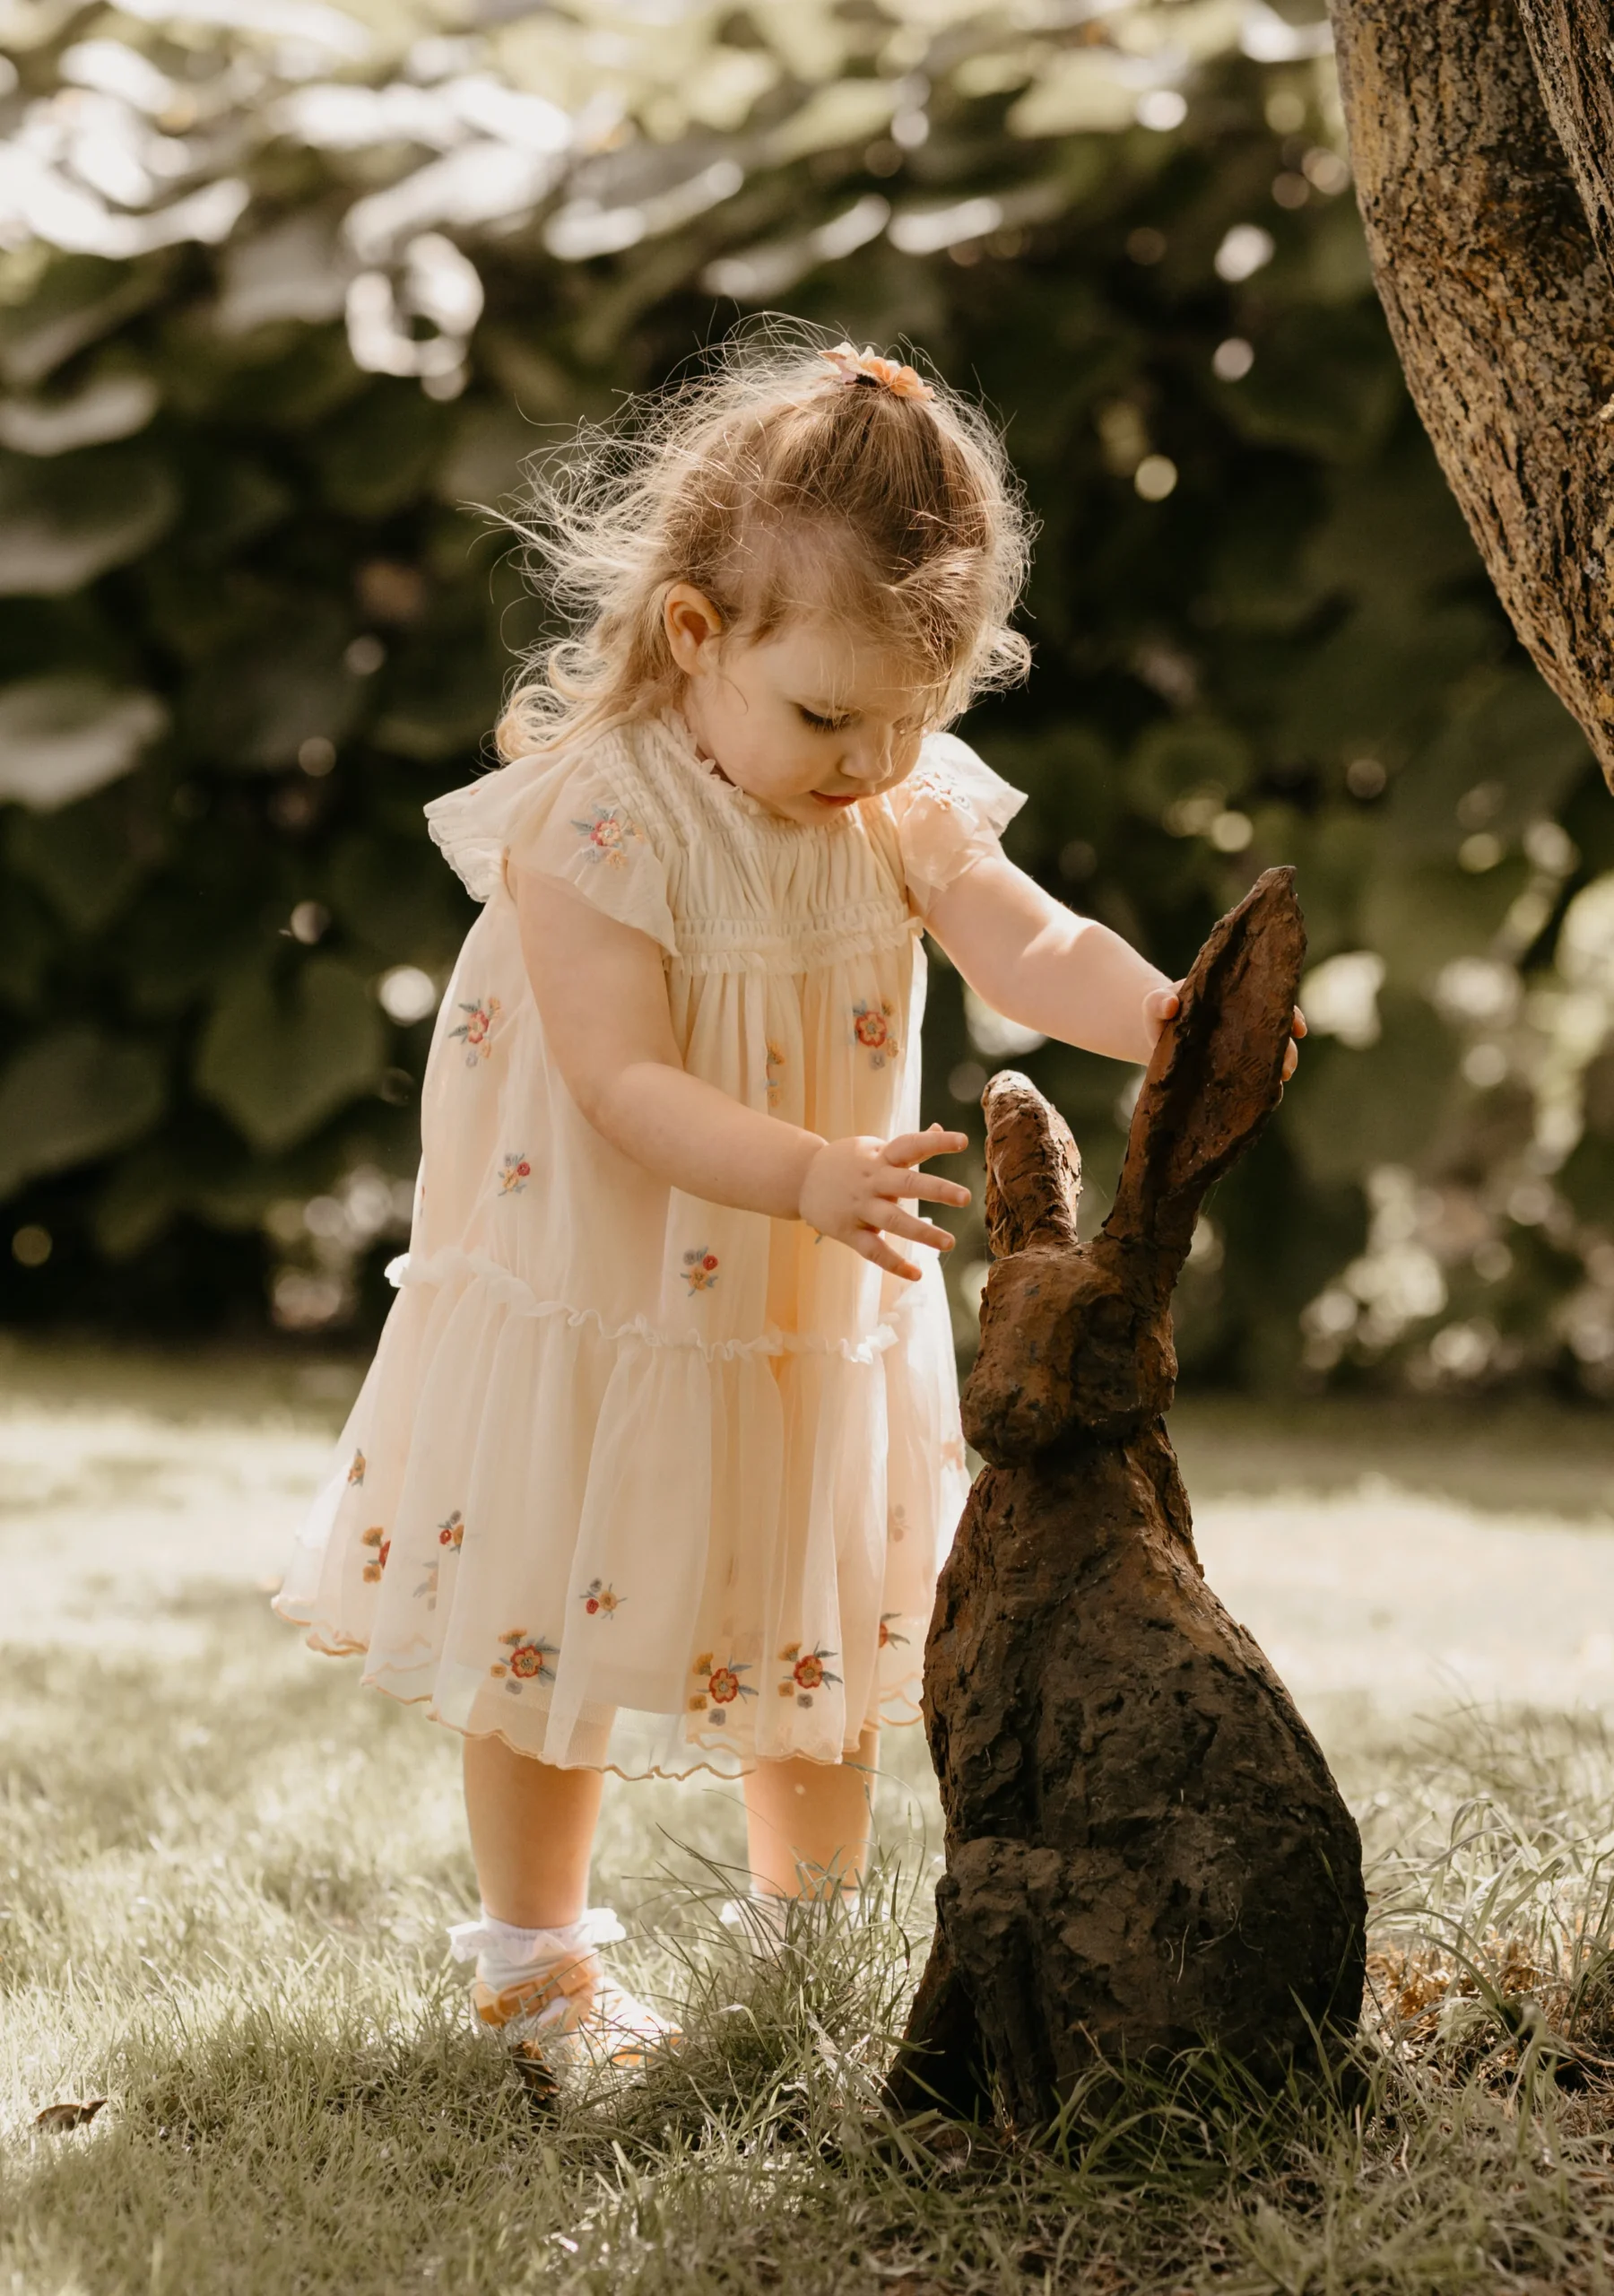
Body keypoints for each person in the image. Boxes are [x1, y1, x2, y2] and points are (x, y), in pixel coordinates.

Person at [273, 326, 1302, 2078]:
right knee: (555, 1601)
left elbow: (1024, 937)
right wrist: (813, 1172)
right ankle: (534, 1962)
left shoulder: (894, 794)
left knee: (821, 1583)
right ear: (697, 633)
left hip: (807, 1297)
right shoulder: (600, 818)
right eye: (830, 715)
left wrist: (1165, 1015)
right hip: (613, 1278)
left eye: (913, 714)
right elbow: (624, 1081)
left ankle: (803, 1935)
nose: (870, 756)